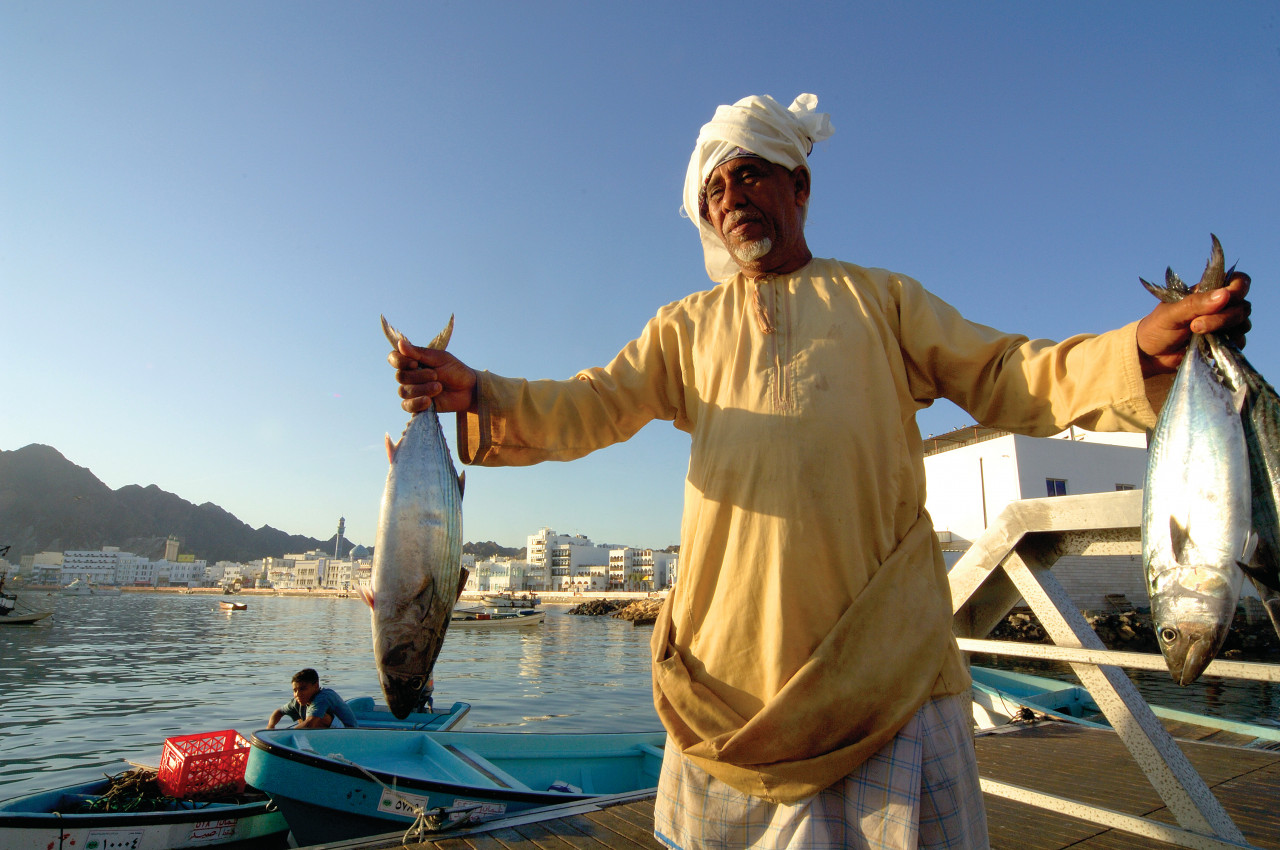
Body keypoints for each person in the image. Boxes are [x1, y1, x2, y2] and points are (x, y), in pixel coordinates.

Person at [387, 94, 1251, 849]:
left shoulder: (883, 300)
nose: (735, 199)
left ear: (800, 187)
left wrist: (1132, 350)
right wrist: (477, 392)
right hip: (725, 680)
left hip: (888, 672)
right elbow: (591, 404)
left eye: (755, 176)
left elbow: (1009, 373)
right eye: (717, 188)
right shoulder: (684, 327)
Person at [266, 668, 358, 729]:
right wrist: (270, 727)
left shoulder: (324, 697)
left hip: (348, 732)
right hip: (326, 731)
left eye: (303, 689)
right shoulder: (298, 700)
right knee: (301, 714)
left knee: (319, 717)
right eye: (295, 690)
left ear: (316, 686)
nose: (298, 694)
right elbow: (278, 712)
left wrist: (284, 734)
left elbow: (310, 723)